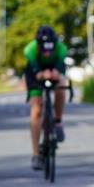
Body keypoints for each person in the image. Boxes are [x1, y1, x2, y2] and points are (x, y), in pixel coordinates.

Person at [24, 26, 69, 171]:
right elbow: (34, 70)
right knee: (37, 109)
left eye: (51, 47)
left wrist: (55, 72)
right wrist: (40, 74)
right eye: (44, 48)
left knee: (61, 85)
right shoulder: (30, 50)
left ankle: (58, 120)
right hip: (35, 72)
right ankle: (36, 154)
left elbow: (60, 67)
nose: (48, 52)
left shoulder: (61, 48)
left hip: (53, 70)